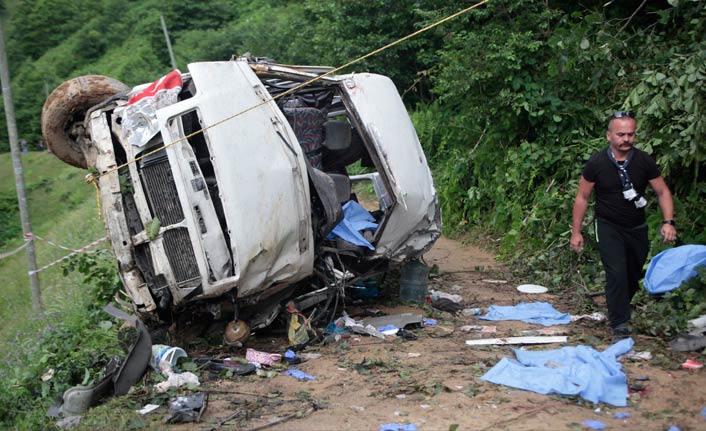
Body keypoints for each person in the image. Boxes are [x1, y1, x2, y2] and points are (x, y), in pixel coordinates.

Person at [570, 111, 677, 341]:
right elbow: (582, 197)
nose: (626, 139)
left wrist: (668, 222)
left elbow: (662, 191)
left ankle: (618, 306)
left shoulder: (644, 161)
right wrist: (576, 232)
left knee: (632, 273)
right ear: (609, 136)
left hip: (637, 226)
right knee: (616, 272)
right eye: (621, 134)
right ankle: (619, 323)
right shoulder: (596, 163)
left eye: (630, 134)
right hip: (608, 225)